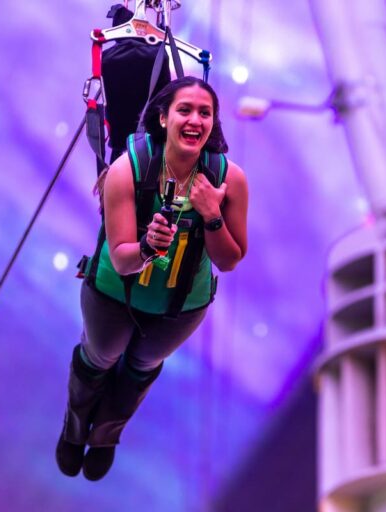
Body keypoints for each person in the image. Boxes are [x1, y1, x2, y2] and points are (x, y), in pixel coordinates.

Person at [55, 76, 248, 481]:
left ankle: (105, 437)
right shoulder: (127, 170)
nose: (195, 119)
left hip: (179, 308)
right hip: (114, 294)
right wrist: (147, 247)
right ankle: (74, 430)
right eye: (184, 110)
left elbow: (229, 260)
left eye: (205, 112)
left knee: (141, 368)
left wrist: (211, 214)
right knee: (99, 358)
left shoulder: (230, 180)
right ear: (162, 118)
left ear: (213, 123)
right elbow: (124, 260)